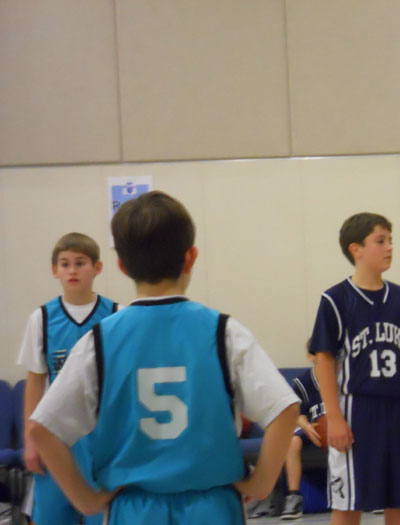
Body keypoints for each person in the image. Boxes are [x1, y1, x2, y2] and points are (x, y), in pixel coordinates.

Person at [27, 191, 300, 524]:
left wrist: (86, 500)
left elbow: (42, 428)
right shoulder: (224, 332)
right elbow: (285, 408)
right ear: (191, 257)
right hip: (212, 505)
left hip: (134, 509)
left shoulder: (98, 341)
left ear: (121, 265)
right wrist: (261, 484)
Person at [309, 212, 400, 525]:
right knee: (349, 503)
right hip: (358, 410)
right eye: (380, 241)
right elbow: (323, 359)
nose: (390, 247)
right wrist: (333, 417)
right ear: (357, 250)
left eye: (390, 240)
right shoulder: (335, 299)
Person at [17, 232, 118, 525]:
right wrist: (31, 440)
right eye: (65, 264)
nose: (72, 270)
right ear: (55, 270)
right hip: (56, 437)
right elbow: (35, 381)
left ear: (97, 268)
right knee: (51, 516)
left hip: (100, 436)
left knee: (103, 516)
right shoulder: (42, 318)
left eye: (80, 263)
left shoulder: (115, 315)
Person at [281, 346, 326, 520]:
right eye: (320, 355)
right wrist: (306, 426)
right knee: (292, 441)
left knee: (366, 434)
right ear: (310, 357)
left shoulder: (343, 376)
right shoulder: (303, 381)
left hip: (339, 425)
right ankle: (294, 497)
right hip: (310, 426)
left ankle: (373, 493)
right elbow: (298, 415)